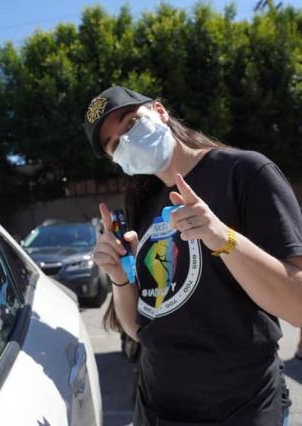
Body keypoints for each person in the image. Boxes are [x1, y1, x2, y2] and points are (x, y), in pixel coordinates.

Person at [83, 86, 302, 426]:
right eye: (114, 145)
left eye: (130, 123)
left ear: (159, 112)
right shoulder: (146, 202)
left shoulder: (245, 173)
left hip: (240, 409)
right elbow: (142, 329)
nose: (127, 141)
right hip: (156, 409)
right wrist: (118, 274)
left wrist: (222, 237)